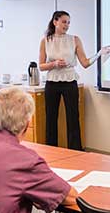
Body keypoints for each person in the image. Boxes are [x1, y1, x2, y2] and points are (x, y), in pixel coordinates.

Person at [38, 11, 105, 151]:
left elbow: (85, 63)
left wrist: (100, 54)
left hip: (70, 81)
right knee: (51, 118)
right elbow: (41, 66)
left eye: (68, 22)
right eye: (64, 22)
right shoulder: (45, 40)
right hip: (52, 82)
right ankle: (51, 150)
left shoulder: (75, 39)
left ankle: (75, 150)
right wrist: (54, 64)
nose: (67, 25)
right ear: (55, 22)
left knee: (73, 117)